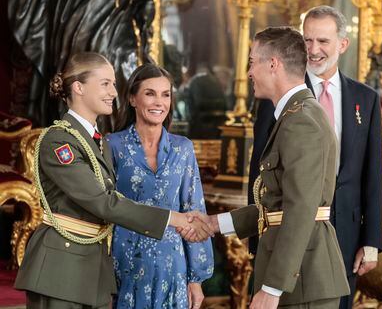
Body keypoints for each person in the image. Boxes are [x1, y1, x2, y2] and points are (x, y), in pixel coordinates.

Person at [14, 52, 212, 309]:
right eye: (105, 83)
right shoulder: (60, 140)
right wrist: (174, 218)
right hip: (62, 269)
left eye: (113, 84)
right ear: (79, 87)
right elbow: (103, 203)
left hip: (93, 269)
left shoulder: (94, 142)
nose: (113, 92)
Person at [188, 26, 350, 308]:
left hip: (301, 281)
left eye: (252, 62)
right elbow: (275, 207)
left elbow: (301, 209)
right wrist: (215, 224)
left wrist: (273, 287)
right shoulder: (295, 115)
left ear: (273, 64)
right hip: (296, 277)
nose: (249, 72)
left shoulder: (301, 121)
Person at [247, 6, 382, 309]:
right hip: (284, 233)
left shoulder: (366, 98)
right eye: (307, 41)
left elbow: (372, 174)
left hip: (344, 234)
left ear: (342, 44)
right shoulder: (278, 95)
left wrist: (371, 239)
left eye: (322, 41)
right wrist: (258, 238)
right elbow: (259, 173)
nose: (313, 50)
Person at [106, 64, 214, 309]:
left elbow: (194, 210)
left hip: (172, 265)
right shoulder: (112, 145)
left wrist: (195, 280)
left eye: (166, 94)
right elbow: (103, 207)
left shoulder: (183, 148)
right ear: (132, 98)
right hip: (123, 264)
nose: (159, 102)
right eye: (150, 93)